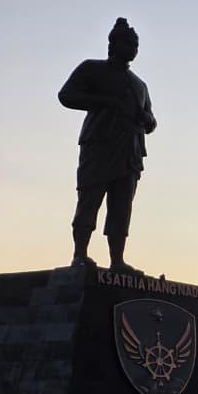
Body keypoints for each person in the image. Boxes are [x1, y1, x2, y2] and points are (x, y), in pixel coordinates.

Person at [58, 17, 157, 272]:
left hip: (130, 151)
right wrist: (104, 101)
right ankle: (80, 254)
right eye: (129, 43)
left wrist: (147, 119)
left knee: (121, 207)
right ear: (113, 44)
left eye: (136, 44)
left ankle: (117, 260)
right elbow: (66, 95)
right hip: (99, 145)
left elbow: (151, 119)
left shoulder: (140, 85)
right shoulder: (92, 69)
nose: (133, 48)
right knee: (89, 198)